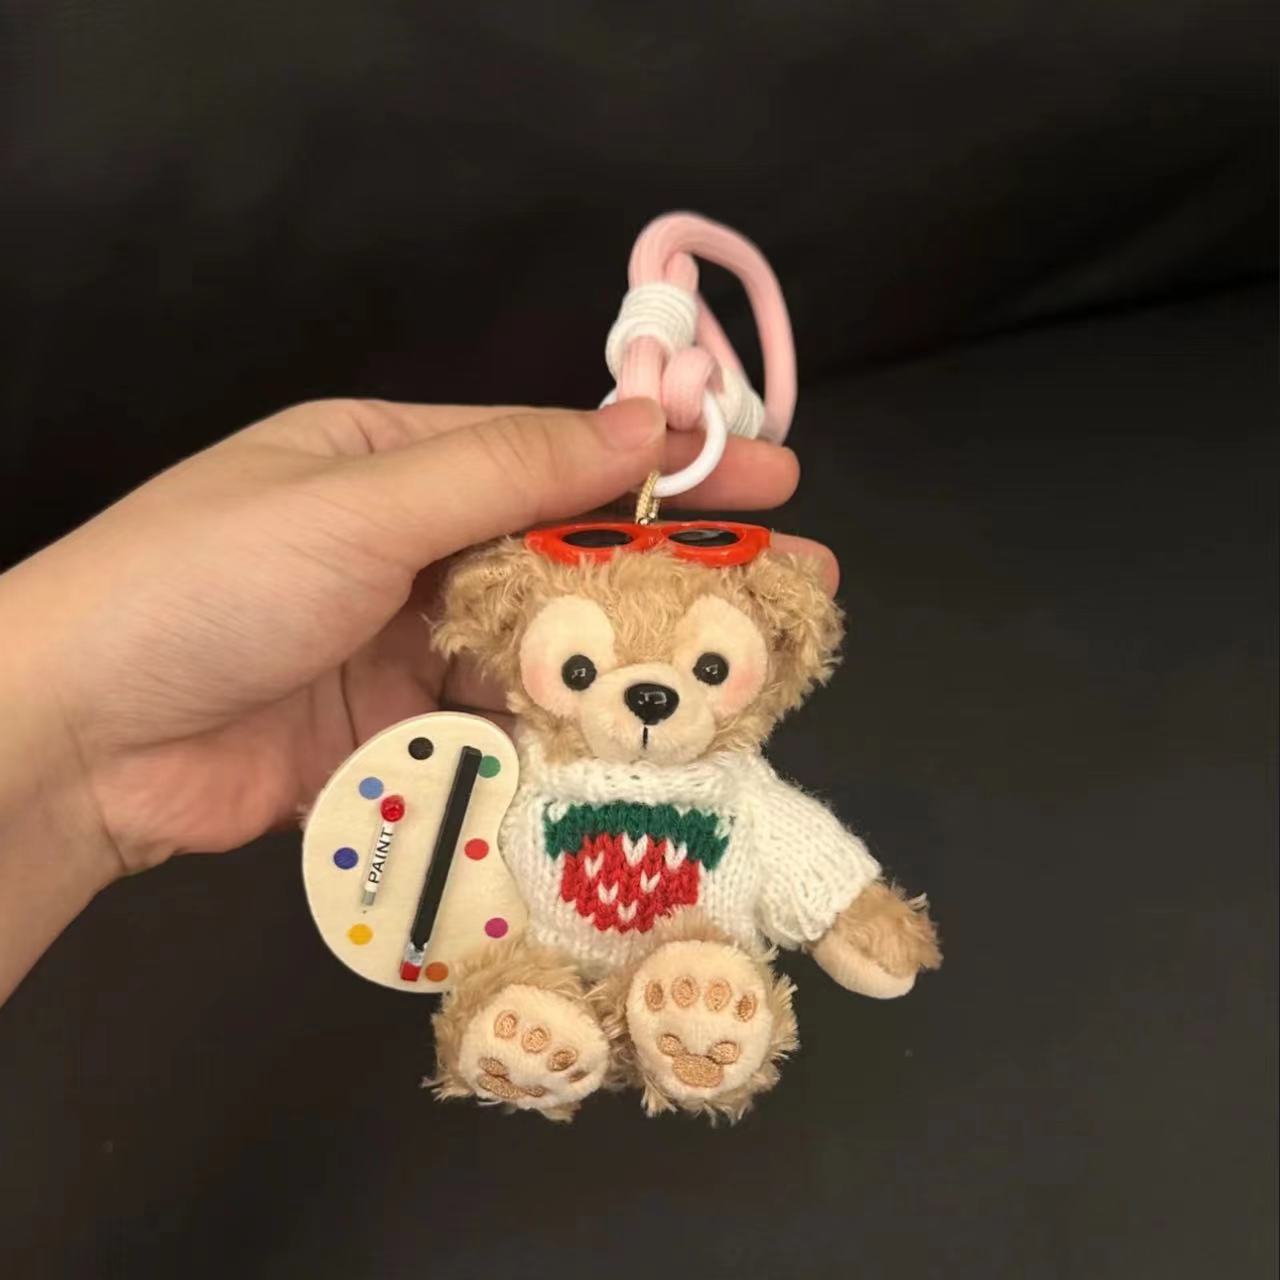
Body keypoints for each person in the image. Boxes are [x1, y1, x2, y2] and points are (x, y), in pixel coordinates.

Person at [0, 396, 832, 1002]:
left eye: (710, 669)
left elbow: (804, 851)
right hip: (539, 946)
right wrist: (72, 741)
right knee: (515, 988)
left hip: (700, 955)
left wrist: (845, 911)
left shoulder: (732, 785)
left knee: (703, 986)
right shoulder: (523, 770)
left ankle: (690, 1012)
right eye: (578, 672)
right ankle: (529, 1023)